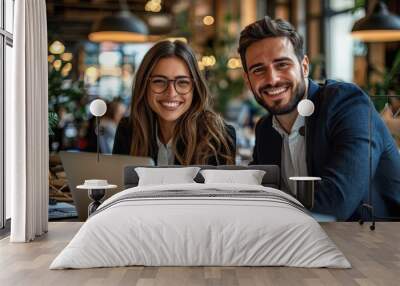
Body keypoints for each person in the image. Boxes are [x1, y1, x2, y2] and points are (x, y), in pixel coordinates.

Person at [238, 16, 400, 221]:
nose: (272, 79)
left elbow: (334, 204)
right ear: (248, 79)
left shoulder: (347, 105)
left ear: (304, 66)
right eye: (258, 70)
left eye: (282, 64)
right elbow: (259, 195)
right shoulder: (265, 129)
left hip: (377, 246)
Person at [113, 40, 236, 165]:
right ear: (144, 86)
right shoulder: (128, 130)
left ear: (195, 88)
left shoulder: (219, 137)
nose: (171, 93)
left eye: (182, 82)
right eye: (159, 81)